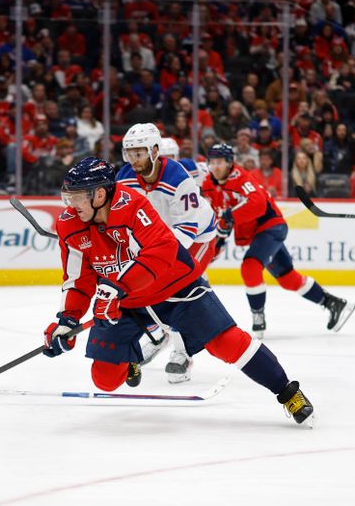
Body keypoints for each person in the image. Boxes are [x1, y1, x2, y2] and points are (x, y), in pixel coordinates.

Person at [44, 157, 314, 426]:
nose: (71, 205)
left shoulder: (133, 206)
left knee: (227, 343)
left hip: (174, 287)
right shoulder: (69, 224)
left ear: (99, 194)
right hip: (124, 300)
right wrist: (67, 320)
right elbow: (77, 279)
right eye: (69, 197)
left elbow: (163, 250)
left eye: (77, 197)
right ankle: (129, 358)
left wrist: (117, 287)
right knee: (104, 378)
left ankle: (287, 391)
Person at [201, 143, 355, 338]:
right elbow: (220, 217)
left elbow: (256, 205)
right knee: (288, 279)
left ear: (230, 163)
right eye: (211, 162)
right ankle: (333, 303)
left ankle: (258, 317)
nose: (215, 166)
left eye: (220, 162)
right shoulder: (208, 184)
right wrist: (219, 241)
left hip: (272, 227)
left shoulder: (241, 179)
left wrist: (228, 218)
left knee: (250, 267)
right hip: (258, 234)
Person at [116, 126, 217, 383]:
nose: (134, 159)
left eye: (139, 153)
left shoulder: (178, 177)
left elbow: (186, 229)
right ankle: (156, 334)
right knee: (139, 286)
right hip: (160, 238)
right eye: (130, 153)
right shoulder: (125, 177)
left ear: (154, 151)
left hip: (198, 237)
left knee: (178, 289)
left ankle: (183, 353)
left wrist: (156, 259)